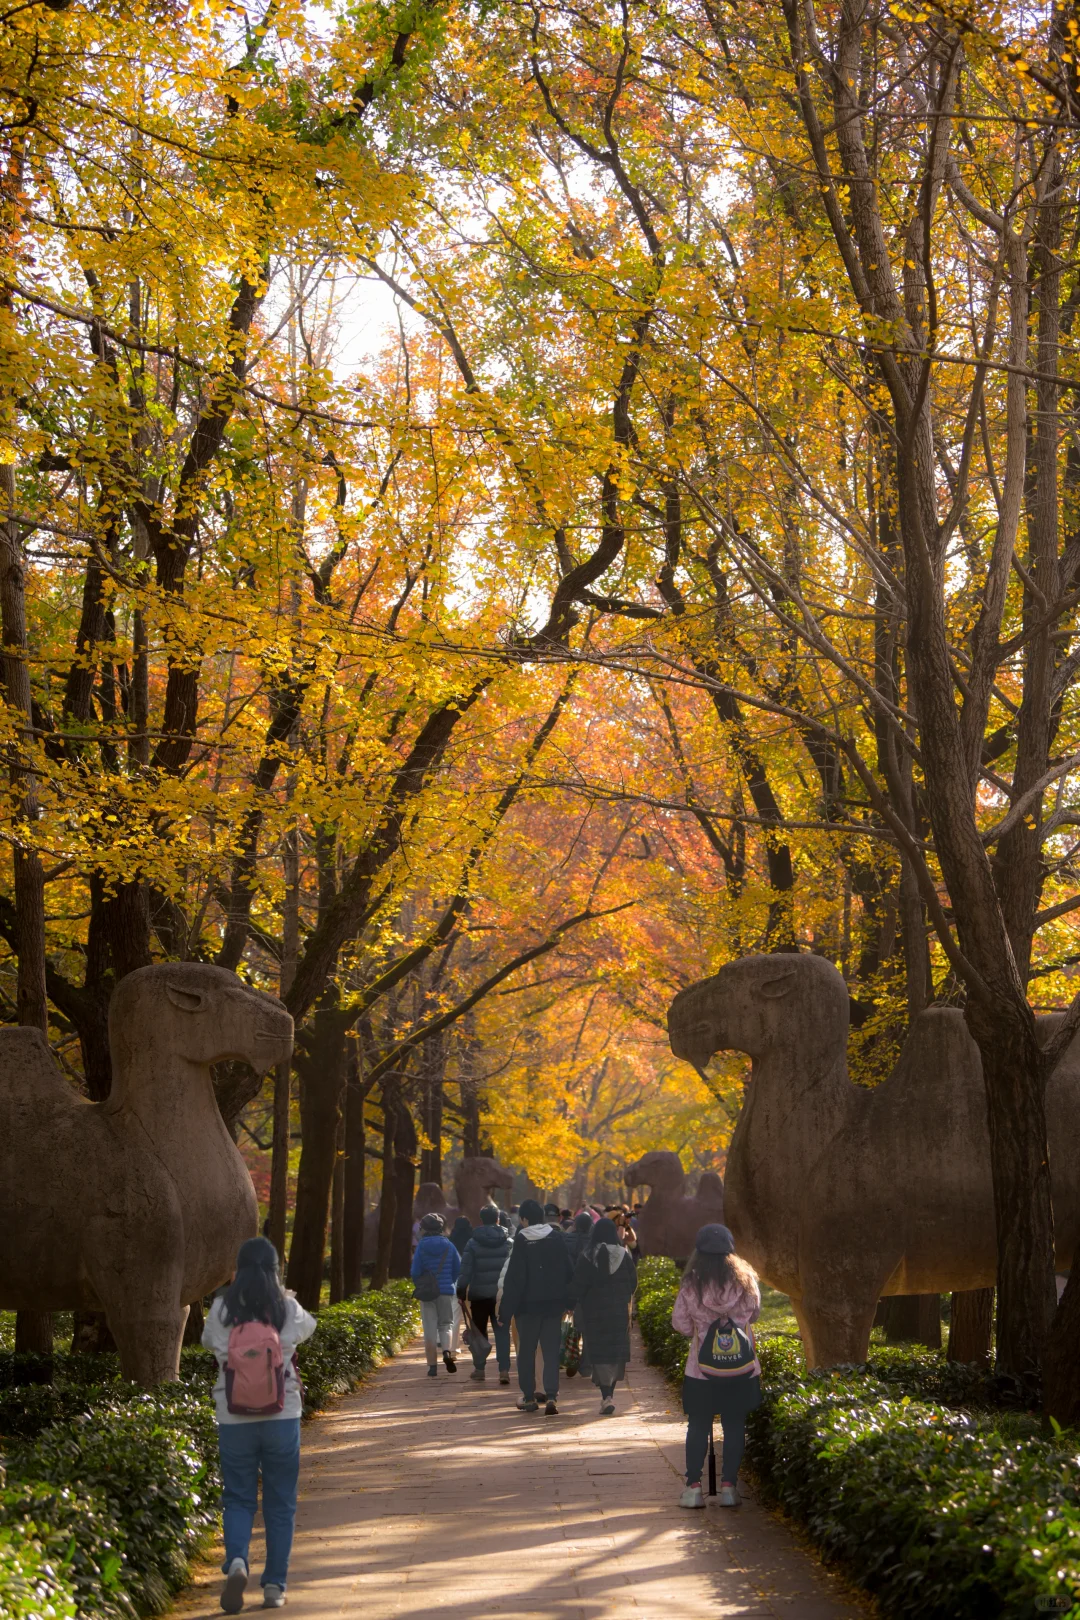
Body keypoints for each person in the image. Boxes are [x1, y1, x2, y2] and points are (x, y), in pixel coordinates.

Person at [202, 1236, 316, 1613]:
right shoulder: (285, 1307)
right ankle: (274, 1587)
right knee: (280, 1503)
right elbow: (308, 1329)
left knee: (237, 1497)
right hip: (282, 1415)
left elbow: (208, 1343)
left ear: (238, 1268)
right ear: (273, 1268)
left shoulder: (220, 1308)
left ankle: (237, 1561)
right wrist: (284, 1295)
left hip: (233, 1416)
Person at [671, 1223, 761, 1510]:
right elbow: (754, 1315)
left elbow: (681, 1325)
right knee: (735, 1424)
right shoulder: (746, 1282)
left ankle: (694, 1488)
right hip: (741, 1369)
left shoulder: (691, 1285)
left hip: (701, 1371)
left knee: (697, 1425)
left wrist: (702, 1328)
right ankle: (729, 1487)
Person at [498, 1197, 574, 1414]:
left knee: (526, 1352)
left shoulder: (522, 1239)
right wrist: (569, 1302)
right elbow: (568, 1271)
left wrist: (505, 1311)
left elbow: (514, 1279)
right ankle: (551, 1396)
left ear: (523, 1219)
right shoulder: (557, 1237)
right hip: (553, 1306)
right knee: (550, 1352)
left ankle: (529, 1397)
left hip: (527, 1308)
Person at [571, 1216, 637, 1415]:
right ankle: (610, 1395)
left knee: (599, 1353)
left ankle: (605, 1395)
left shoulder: (587, 1255)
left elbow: (578, 1285)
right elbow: (632, 1283)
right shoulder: (623, 1255)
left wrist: (573, 1302)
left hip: (594, 1314)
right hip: (618, 1313)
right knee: (615, 1353)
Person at [457, 1205, 513, 1383]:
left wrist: (461, 1291)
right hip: (501, 1296)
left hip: (479, 1294)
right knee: (502, 1332)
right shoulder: (508, 1242)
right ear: (498, 1218)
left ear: (481, 1220)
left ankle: (479, 1368)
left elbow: (465, 1270)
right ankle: (503, 1370)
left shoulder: (472, 1243)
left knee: (479, 1332)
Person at [411, 1212, 461, 1376]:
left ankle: (432, 1367)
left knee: (429, 1328)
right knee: (446, 1324)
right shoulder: (449, 1245)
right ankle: (446, 1351)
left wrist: (422, 1284)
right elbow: (457, 1269)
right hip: (446, 1291)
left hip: (428, 1294)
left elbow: (415, 1271)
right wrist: (449, 1283)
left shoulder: (421, 1246)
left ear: (424, 1229)